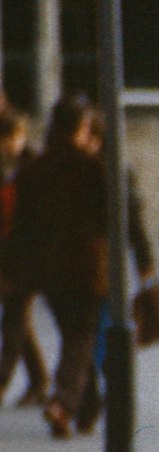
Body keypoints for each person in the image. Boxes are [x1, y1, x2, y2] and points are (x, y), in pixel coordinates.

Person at [6, 96, 154, 439]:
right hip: (88, 267)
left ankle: (85, 407)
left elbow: (21, 226)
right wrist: (144, 260)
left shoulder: (33, 171)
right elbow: (123, 218)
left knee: (73, 333)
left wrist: (13, 270)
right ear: (81, 129)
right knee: (80, 337)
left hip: (46, 270)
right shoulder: (96, 170)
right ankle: (63, 403)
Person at [0, 108, 49, 407]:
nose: (7, 145)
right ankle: (39, 380)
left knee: (14, 317)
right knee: (19, 318)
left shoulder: (32, 167)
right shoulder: (9, 167)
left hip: (29, 254)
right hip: (10, 253)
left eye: (11, 139)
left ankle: (3, 380)